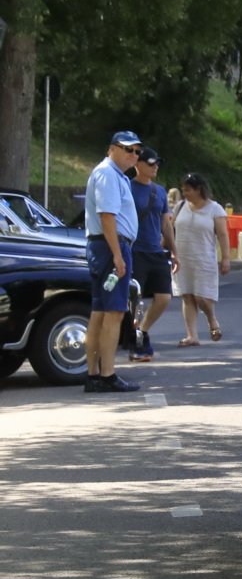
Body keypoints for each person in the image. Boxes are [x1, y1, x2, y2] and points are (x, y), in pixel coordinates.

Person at [82, 131, 144, 393]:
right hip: (111, 246)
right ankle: (107, 375)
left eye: (137, 151)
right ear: (112, 149)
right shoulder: (108, 174)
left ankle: (94, 374)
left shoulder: (113, 174)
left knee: (99, 312)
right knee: (114, 312)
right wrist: (118, 255)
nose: (134, 155)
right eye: (128, 149)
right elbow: (107, 216)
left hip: (104, 246)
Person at [126, 148, 176, 362]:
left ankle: (143, 330)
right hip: (135, 251)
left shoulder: (160, 191)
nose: (155, 167)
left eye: (157, 163)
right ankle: (135, 340)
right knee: (135, 301)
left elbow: (166, 224)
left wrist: (174, 251)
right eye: (151, 163)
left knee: (164, 297)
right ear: (138, 164)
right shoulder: (127, 187)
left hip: (156, 251)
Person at [173, 172, 230, 344]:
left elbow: (223, 235)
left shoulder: (215, 209)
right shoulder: (180, 206)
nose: (185, 193)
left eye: (188, 190)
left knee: (201, 297)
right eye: (183, 190)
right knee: (187, 295)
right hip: (183, 258)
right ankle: (192, 335)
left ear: (198, 189)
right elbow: (171, 229)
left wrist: (226, 258)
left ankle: (211, 318)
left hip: (204, 258)